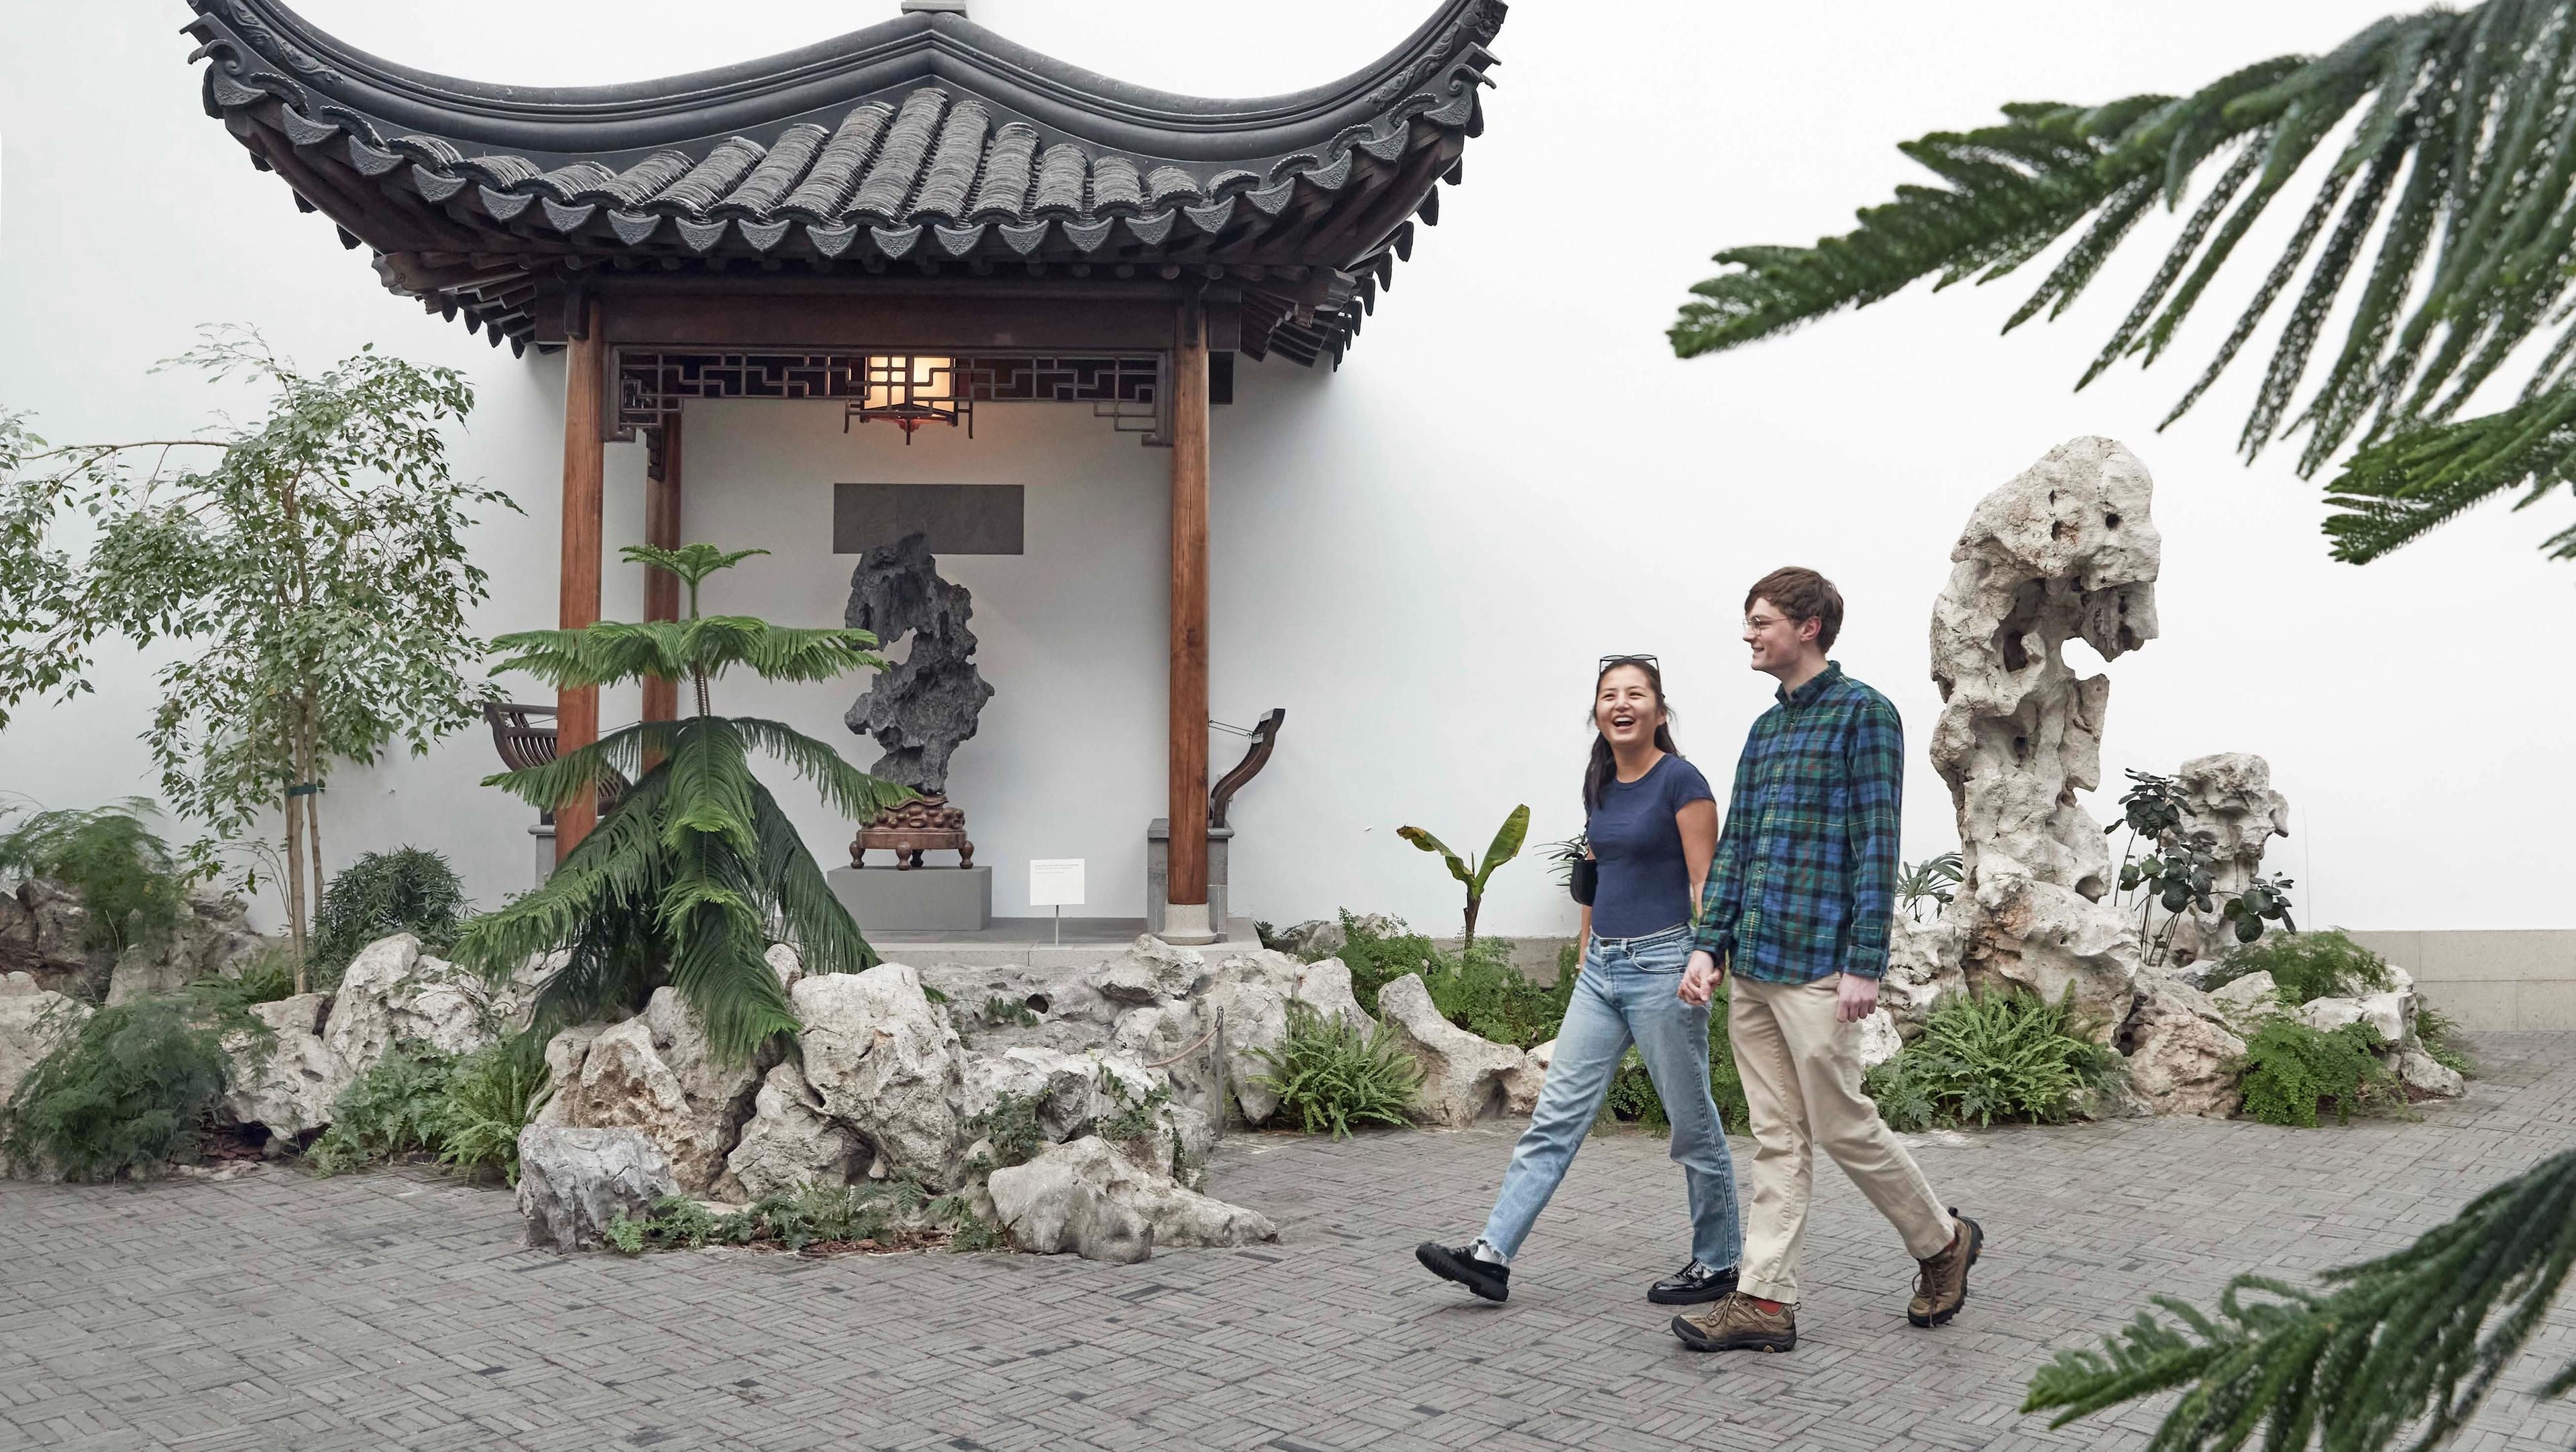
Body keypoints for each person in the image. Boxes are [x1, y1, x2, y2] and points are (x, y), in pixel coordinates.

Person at [1668, 567, 1982, 1354]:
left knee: (1842, 1126)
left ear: (1809, 626)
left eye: (1761, 619)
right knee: (1777, 1136)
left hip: (1817, 964)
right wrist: (1711, 945)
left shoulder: (1865, 715)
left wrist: (1864, 962)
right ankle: (1765, 1303)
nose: (1749, 632)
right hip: (1755, 966)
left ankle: (1942, 1242)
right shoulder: (1765, 730)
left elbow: (1877, 843)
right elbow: (1737, 847)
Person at [1415, 655, 1743, 1307]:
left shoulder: (1683, 782)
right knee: (1554, 1117)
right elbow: (1593, 872)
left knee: (1691, 1122)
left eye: (1635, 693)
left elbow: (1708, 879)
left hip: (1663, 965)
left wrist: (1708, 954)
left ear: (1659, 708)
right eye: (1608, 694)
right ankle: (1492, 1255)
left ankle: (1719, 1261)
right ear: (1596, 710)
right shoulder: (1600, 784)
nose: (1621, 704)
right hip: (1603, 973)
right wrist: (1586, 948)